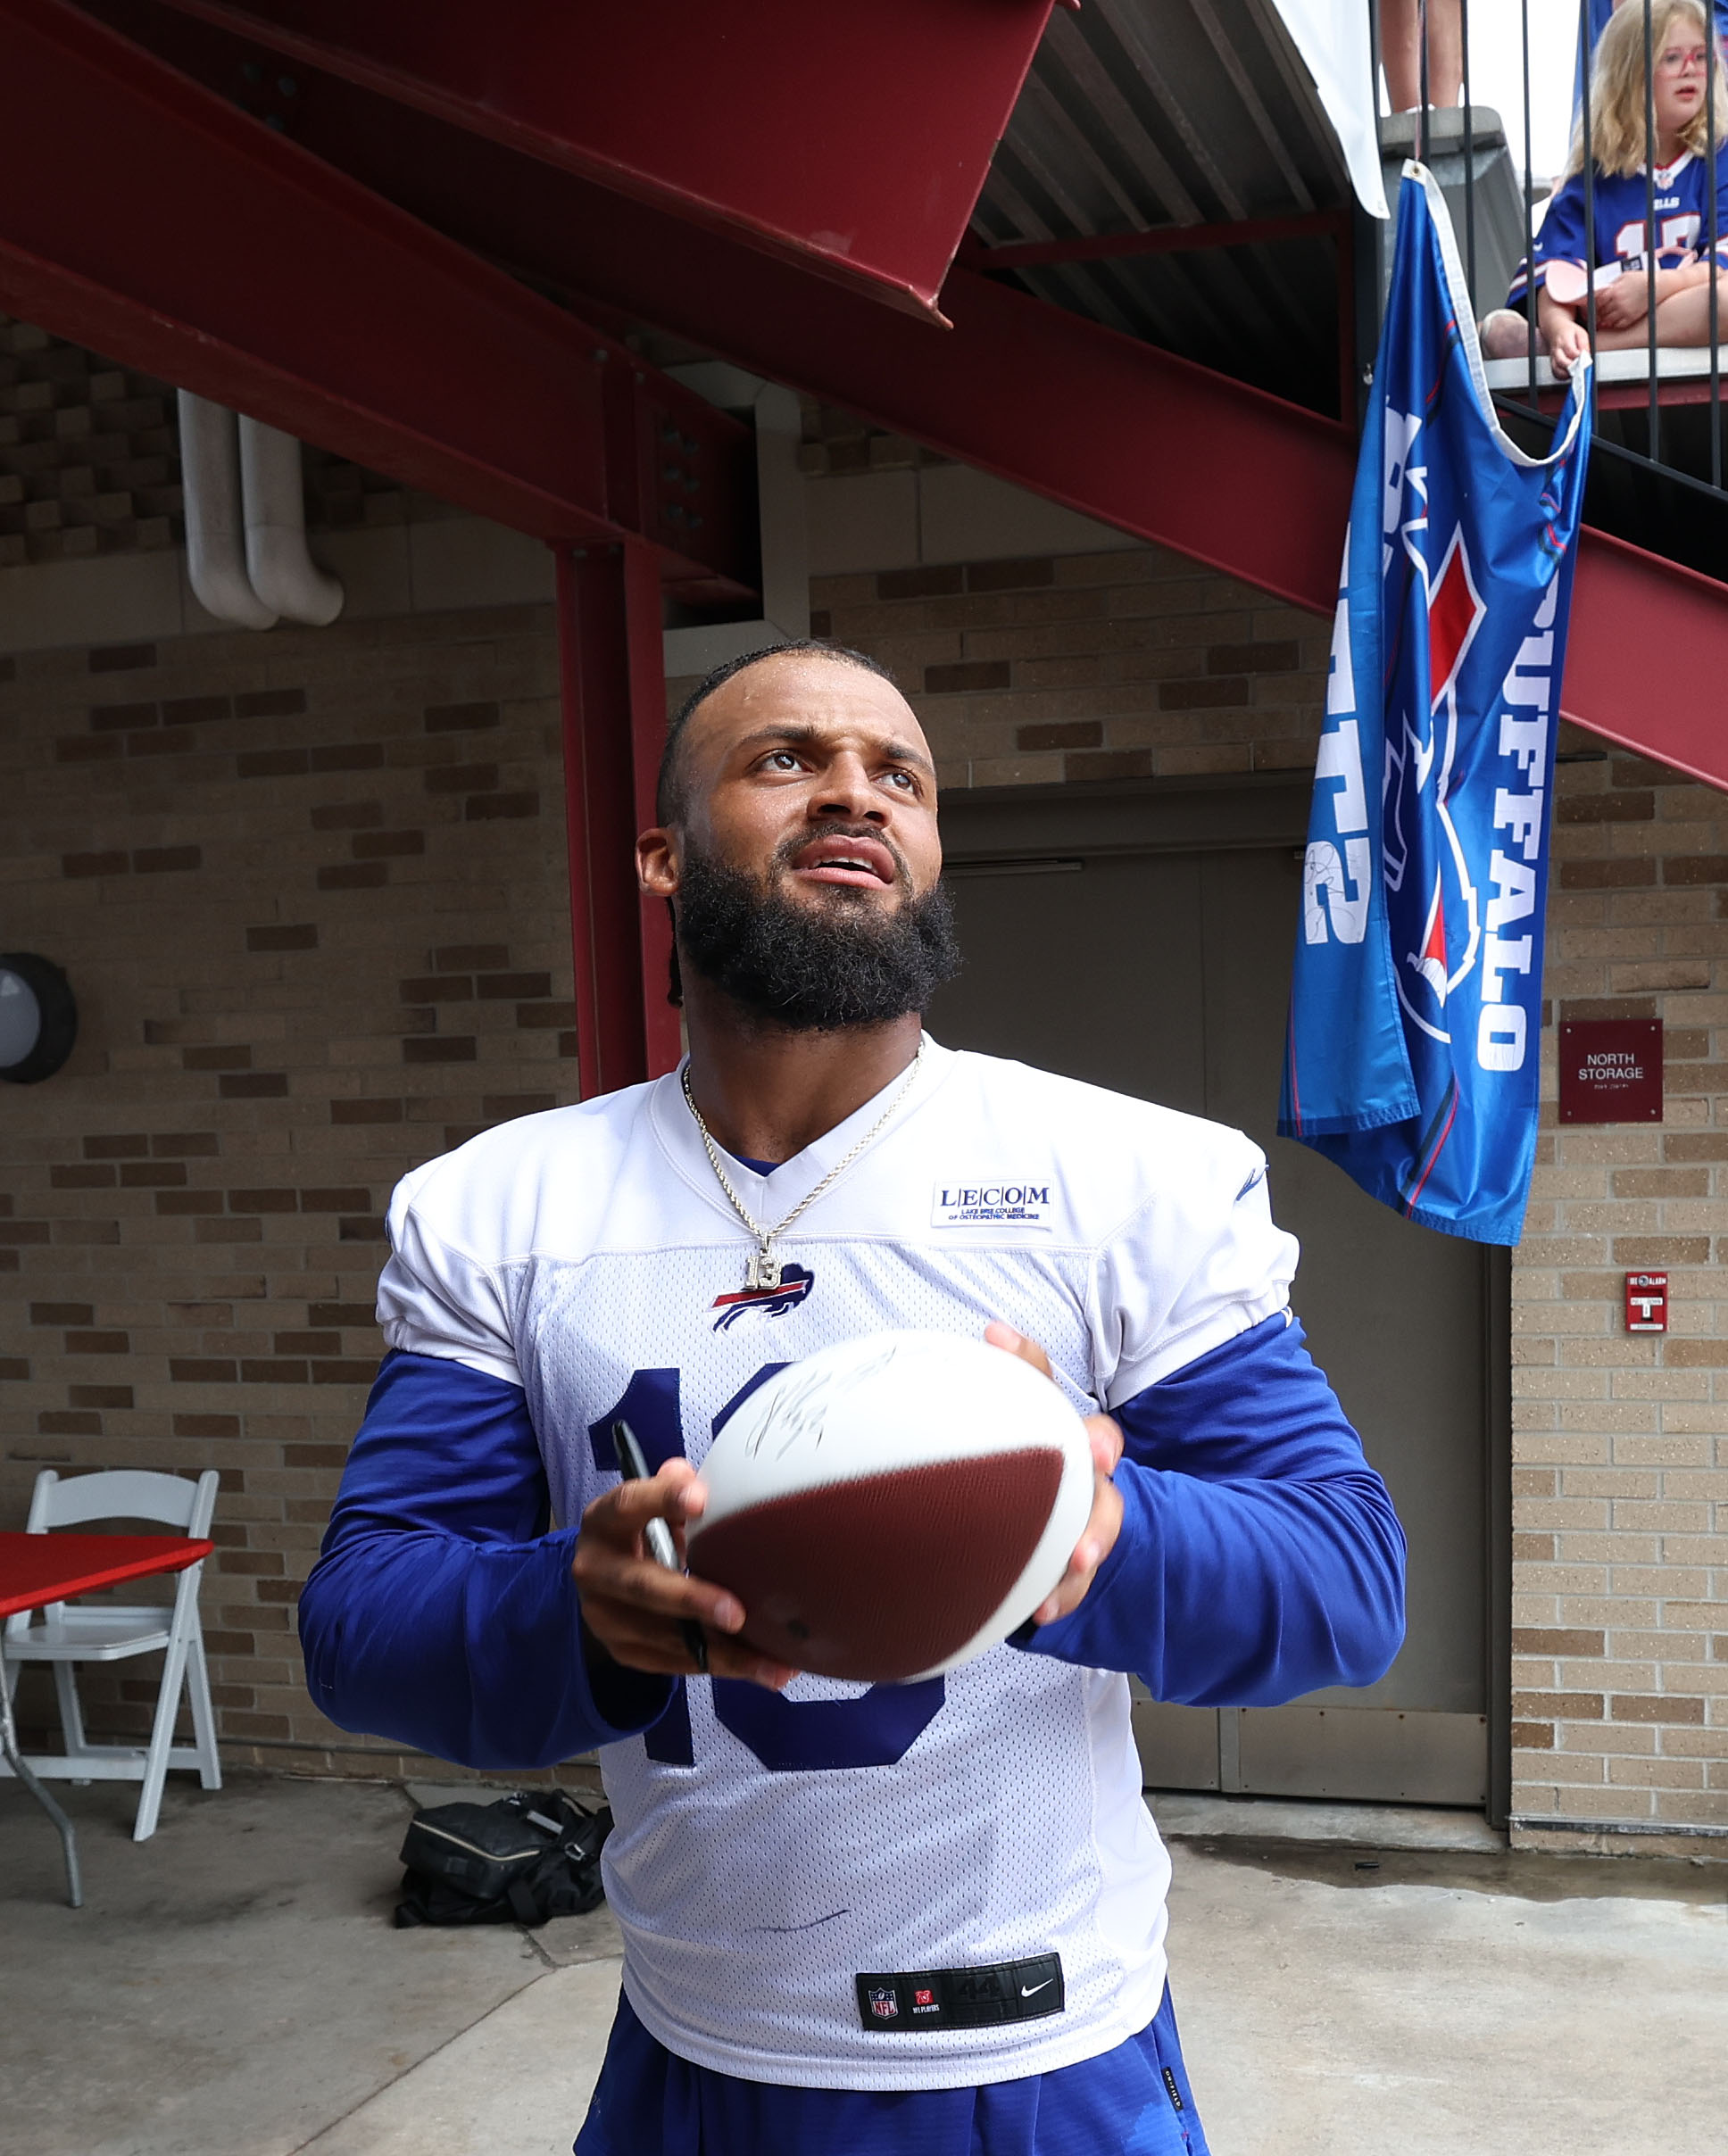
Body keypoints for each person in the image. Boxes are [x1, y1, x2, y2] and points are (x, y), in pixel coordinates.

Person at [299, 641, 1407, 2156]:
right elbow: (364, 1627)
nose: (854, 792)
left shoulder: (1128, 1178)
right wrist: (579, 1610)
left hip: (1033, 2056)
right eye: (786, 759)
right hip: (690, 2044)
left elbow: (1346, 1583)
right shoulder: (499, 1207)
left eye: (901, 773)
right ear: (660, 858)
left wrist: (1104, 1535)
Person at [1482, 0, 1728, 375]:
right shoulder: (1594, 176)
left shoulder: (1719, 157)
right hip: (1607, 311)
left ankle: (1593, 348)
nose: (1690, 69)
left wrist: (1655, 288)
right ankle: (1569, 343)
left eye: (1700, 57)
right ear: (1632, 74)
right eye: (1672, 57)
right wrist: (1561, 327)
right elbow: (1556, 272)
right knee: (1498, 327)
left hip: (1685, 310)